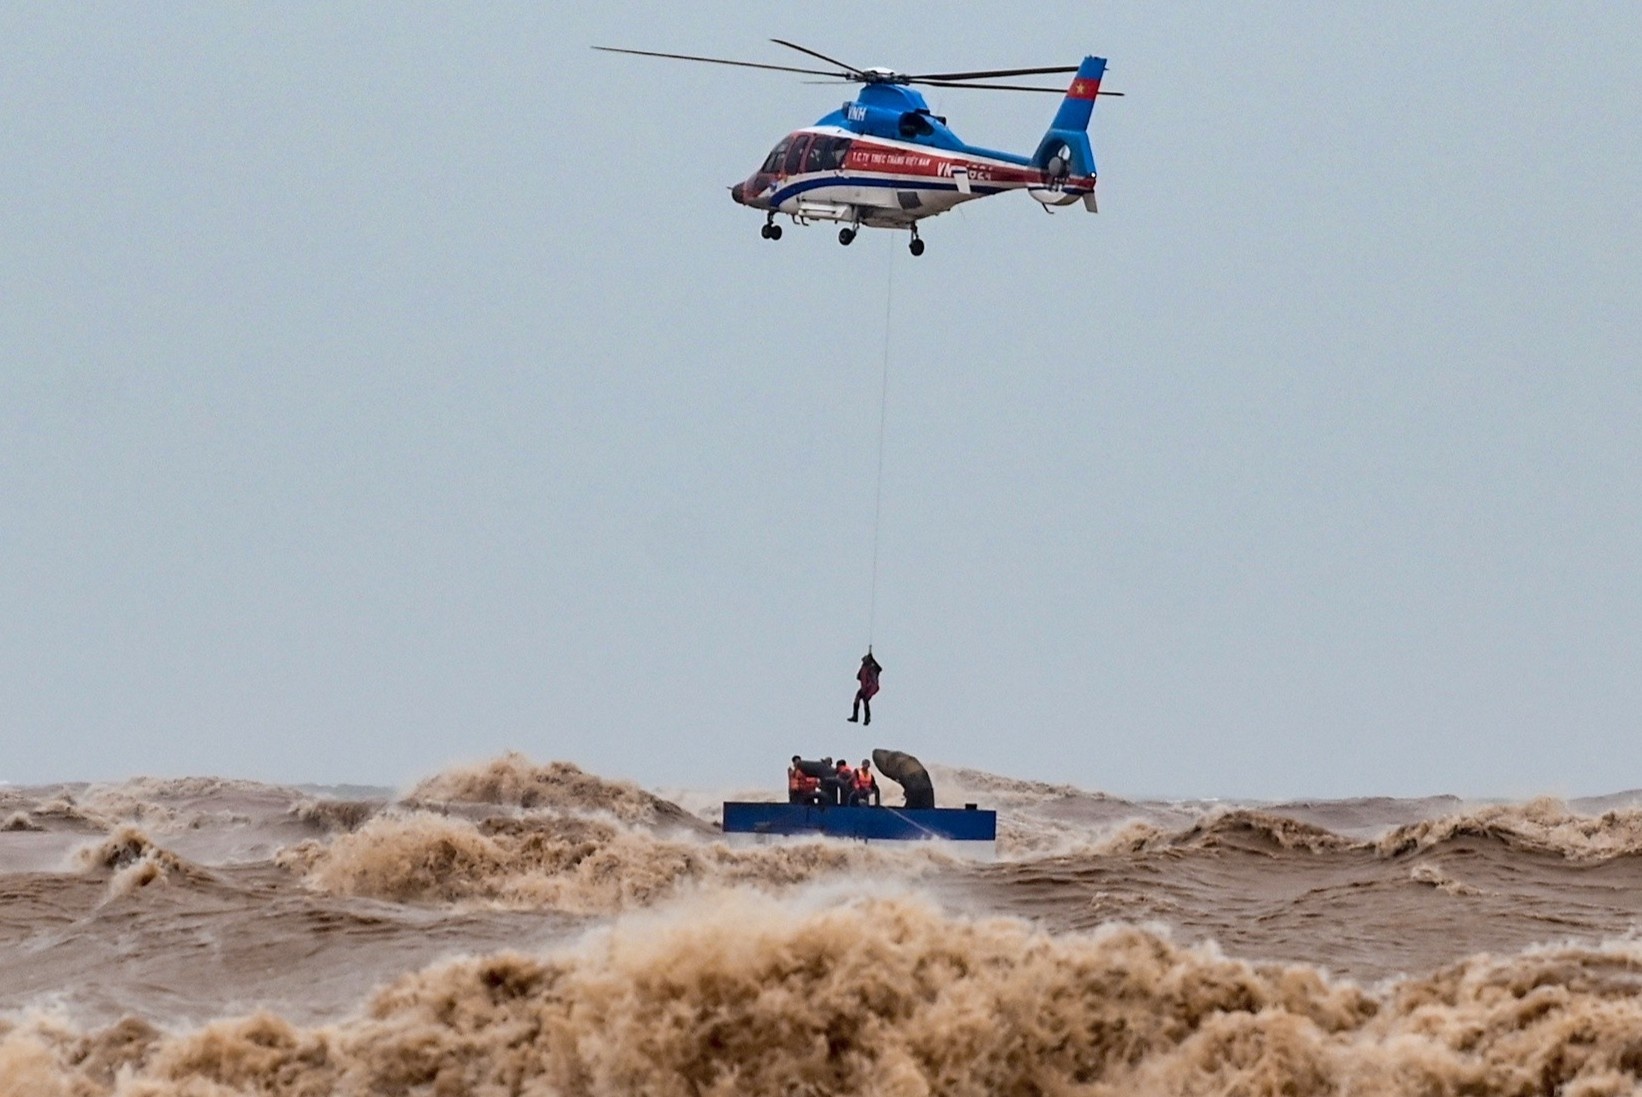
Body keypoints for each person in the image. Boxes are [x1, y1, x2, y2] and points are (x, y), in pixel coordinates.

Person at [848, 651, 882, 725]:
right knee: (858, 698)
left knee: (865, 699)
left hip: (870, 688)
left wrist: (872, 659)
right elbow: (858, 676)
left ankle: (867, 718)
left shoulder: (872, 667)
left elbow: (879, 669)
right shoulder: (863, 668)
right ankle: (855, 716)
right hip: (864, 687)